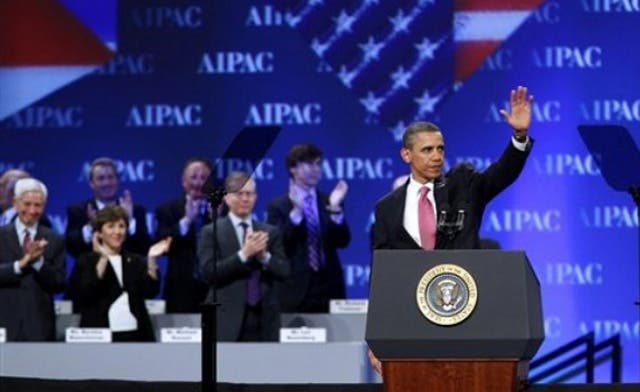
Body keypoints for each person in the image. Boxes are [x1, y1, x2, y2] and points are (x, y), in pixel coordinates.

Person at [369, 85, 534, 373]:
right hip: (413, 324)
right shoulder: (387, 208)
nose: (436, 156)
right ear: (406, 155)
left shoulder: (463, 185)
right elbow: (383, 274)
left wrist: (519, 137)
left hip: (466, 316)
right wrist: (377, 339)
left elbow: (500, 175)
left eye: (441, 149)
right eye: (427, 150)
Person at [198, 171, 289, 341]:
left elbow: (284, 271)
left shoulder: (269, 232)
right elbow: (209, 273)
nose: (245, 198)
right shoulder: (211, 232)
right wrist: (243, 254)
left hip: (264, 318)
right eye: (239, 193)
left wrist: (264, 257)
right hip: (226, 317)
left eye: (250, 193)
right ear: (226, 197)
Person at [266, 143, 350, 313]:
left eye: (318, 164)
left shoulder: (329, 200)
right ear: (293, 168)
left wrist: (335, 209)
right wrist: (296, 213)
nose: (315, 169)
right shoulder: (278, 206)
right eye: (309, 164)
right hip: (295, 289)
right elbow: (278, 246)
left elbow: (343, 241)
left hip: (329, 287)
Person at [69, 205, 171, 342]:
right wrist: (103, 258)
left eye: (121, 226)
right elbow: (86, 293)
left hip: (136, 334)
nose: (117, 232)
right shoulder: (86, 261)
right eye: (111, 226)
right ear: (99, 232)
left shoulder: (135, 260)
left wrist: (151, 259)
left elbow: (150, 291)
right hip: (99, 334)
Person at [0, 178, 65, 341]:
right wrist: (20, 265)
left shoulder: (54, 239)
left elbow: (59, 283)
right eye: (27, 204)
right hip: (4, 322)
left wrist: (37, 262)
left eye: (38, 205)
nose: (32, 210)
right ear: (15, 203)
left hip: (39, 326)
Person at [155, 157, 212, 313]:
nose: (198, 182)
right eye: (193, 177)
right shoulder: (167, 209)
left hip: (214, 292)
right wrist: (186, 221)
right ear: (183, 181)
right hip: (179, 292)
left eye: (203, 178)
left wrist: (217, 221)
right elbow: (161, 247)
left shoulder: (221, 210)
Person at [65, 157, 151, 259]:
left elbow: (144, 248)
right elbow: (71, 247)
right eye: (101, 178)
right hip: (91, 272)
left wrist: (129, 220)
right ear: (91, 183)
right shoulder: (78, 211)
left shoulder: (136, 210)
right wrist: (91, 227)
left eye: (111, 177)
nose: (106, 183)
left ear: (117, 180)